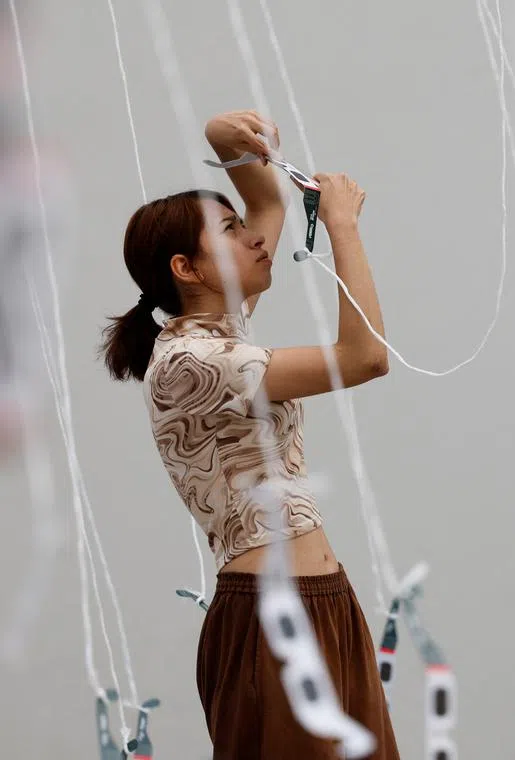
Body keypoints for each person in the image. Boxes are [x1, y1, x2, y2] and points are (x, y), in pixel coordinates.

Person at [98, 109, 400, 759]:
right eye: (230, 233)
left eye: (242, 228)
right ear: (188, 268)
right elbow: (364, 359)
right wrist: (342, 226)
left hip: (325, 603)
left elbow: (266, 198)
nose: (256, 238)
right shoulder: (194, 362)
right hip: (274, 620)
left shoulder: (217, 335)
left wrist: (223, 140)